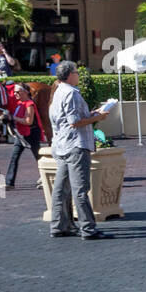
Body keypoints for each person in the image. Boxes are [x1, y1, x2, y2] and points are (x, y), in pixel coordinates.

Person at [48, 61, 111, 240]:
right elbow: (74, 122)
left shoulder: (58, 92)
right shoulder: (71, 93)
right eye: (76, 72)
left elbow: (66, 119)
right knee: (80, 190)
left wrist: (91, 114)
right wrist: (98, 117)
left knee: (61, 190)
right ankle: (88, 229)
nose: (78, 75)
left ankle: (59, 226)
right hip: (76, 146)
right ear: (69, 75)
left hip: (62, 146)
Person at [4, 83, 45, 189]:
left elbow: (29, 121)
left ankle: (45, 177)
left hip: (31, 133)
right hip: (22, 134)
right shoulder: (20, 104)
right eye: (15, 92)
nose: (15, 93)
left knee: (38, 157)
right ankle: (9, 183)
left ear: (25, 92)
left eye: (18, 91)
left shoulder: (29, 104)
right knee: (14, 156)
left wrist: (13, 118)